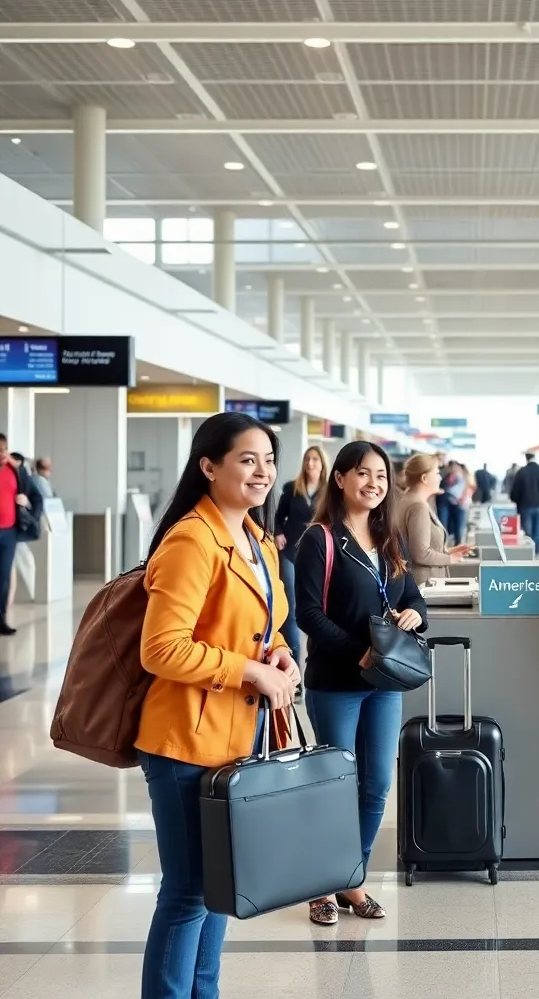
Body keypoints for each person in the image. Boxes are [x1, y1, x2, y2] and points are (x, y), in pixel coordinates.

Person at [136, 412, 300, 999]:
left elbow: (264, 626)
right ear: (209, 466)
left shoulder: (257, 540)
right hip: (185, 738)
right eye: (247, 460)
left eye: (269, 461)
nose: (262, 472)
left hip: (239, 738)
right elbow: (161, 648)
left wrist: (281, 655)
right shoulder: (191, 540)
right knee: (187, 892)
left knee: (219, 888)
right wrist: (249, 670)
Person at [294, 441, 427, 924]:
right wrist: (359, 650)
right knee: (335, 785)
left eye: (381, 476)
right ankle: (321, 886)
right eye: (364, 473)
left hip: (385, 680)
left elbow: (411, 594)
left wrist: (416, 614)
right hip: (337, 681)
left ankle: (350, 877)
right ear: (341, 479)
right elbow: (307, 614)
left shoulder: (389, 536)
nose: (374, 483)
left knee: (376, 785)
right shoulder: (320, 540)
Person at [274, 445, 327, 683]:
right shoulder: (292, 488)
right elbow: (278, 516)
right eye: (307, 459)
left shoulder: (330, 491)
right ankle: (293, 670)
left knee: (316, 606)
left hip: (317, 555)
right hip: (290, 552)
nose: (310, 463)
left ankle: (319, 662)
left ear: (322, 464)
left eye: (315, 459)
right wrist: (278, 533)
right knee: (291, 606)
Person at [399, 453, 473, 585]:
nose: (440, 477)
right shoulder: (418, 506)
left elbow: (414, 546)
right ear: (424, 478)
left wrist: (447, 552)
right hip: (424, 583)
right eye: (437, 473)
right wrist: (450, 559)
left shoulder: (409, 500)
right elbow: (420, 554)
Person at [0, 435, 42, 636]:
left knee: (3, 578)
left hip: (9, 533)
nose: (2, 453)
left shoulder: (16, 470)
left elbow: (37, 497)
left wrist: (27, 504)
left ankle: (1, 619)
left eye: (4, 449)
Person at [510, 451, 539, 550]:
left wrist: (516, 501)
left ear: (526, 459)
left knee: (527, 532)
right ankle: (536, 553)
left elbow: (515, 491)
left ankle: (529, 552)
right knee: (538, 532)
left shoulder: (521, 472)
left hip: (525, 506)